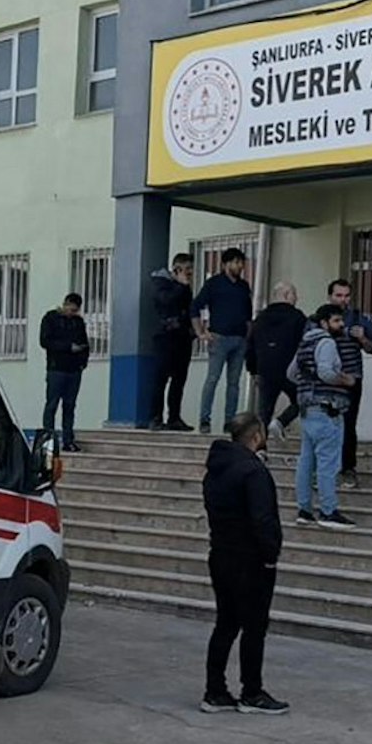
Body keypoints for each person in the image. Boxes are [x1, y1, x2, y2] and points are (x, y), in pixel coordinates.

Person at [201, 413, 289, 715]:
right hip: (250, 559)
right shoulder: (253, 472)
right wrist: (270, 553)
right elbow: (262, 518)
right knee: (254, 627)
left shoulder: (216, 469)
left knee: (226, 623)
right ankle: (252, 691)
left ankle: (215, 690)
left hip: (221, 553)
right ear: (256, 436)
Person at [290, 305, 359, 529]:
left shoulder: (305, 342)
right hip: (327, 409)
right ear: (324, 323)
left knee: (306, 462)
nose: (341, 325)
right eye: (337, 321)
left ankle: (304, 510)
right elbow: (326, 372)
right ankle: (328, 511)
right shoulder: (328, 342)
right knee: (328, 464)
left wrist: (308, 385)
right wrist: (346, 380)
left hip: (308, 411)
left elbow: (291, 373)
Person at [193, 248, 253, 433]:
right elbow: (195, 307)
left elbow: (248, 315)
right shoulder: (214, 284)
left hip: (239, 339)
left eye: (241, 262)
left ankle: (230, 421)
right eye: (235, 262)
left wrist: (248, 337)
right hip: (219, 337)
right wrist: (201, 333)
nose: (240, 266)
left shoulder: (243, 286)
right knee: (212, 379)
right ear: (225, 264)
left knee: (234, 384)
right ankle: (204, 419)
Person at [326, 280, 372, 488]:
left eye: (346, 295)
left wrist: (362, 338)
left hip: (352, 379)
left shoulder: (358, 319)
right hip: (327, 380)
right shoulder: (320, 318)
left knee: (348, 424)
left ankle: (348, 468)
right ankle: (325, 469)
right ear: (330, 296)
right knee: (326, 425)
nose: (343, 300)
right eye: (339, 295)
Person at [244, 282, 306, 435]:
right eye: (294, 294)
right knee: (303, 400)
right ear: (286, 295)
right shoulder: (297, 317)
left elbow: (250, 345)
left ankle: (259, 448)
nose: (296, 298)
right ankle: (281, 421)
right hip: (290, 370)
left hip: (265, 369)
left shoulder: (260, 318)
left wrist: (253, 370)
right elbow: (304, 344)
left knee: (264, 412)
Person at [38, 293, 89, 453]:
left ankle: (68, 440)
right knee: (52, 404)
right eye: (71, 309)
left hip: (74, 370)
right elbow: (45, 341)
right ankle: (48, 441)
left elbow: (85, 343)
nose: (72, 313)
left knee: (70, 406)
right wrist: (68, 347)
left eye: (76, 311)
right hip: (56, 368)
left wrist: (82, 363)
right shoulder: (51, 318)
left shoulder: (78, 322)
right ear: (65, 304)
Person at [150, 254, 195, 430]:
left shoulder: (185, 288)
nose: (190, 273)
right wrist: (180, 285)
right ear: (177, 269)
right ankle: (155, 417)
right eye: (187, 269)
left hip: (182, 338)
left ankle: (174, 417)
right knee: (160, 379)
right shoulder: (161, 284)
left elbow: (188, 308)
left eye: (191, 269)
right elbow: (166, 301)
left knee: (179, 379)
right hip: (165, 338)